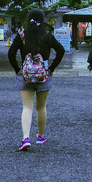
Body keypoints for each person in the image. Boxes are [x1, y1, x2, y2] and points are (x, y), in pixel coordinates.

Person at [8, 9, 66, 151]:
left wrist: (18, 70)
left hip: (25, 75)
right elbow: (61, 51)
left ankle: (26, 138)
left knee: (27, 107)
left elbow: (11, 53)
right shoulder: (47, 35)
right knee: (41, 107)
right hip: (43, 75)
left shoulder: (22, 34)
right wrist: (51, 68)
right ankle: (40, 136)